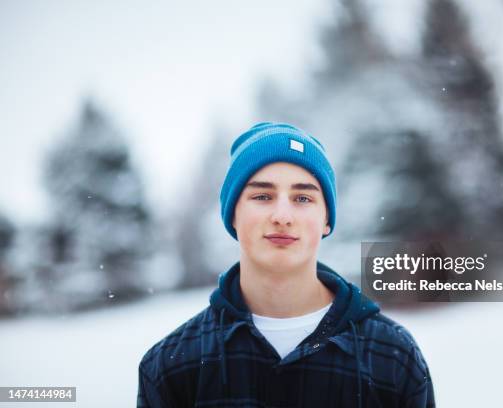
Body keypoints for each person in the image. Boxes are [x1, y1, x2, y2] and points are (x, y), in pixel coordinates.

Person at [137, 122, 435, 407]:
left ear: (327, 220)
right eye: (263, 196)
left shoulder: (393, 356)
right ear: (232, 215)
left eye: (303, 198)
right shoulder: (171, 364)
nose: (282, 215)